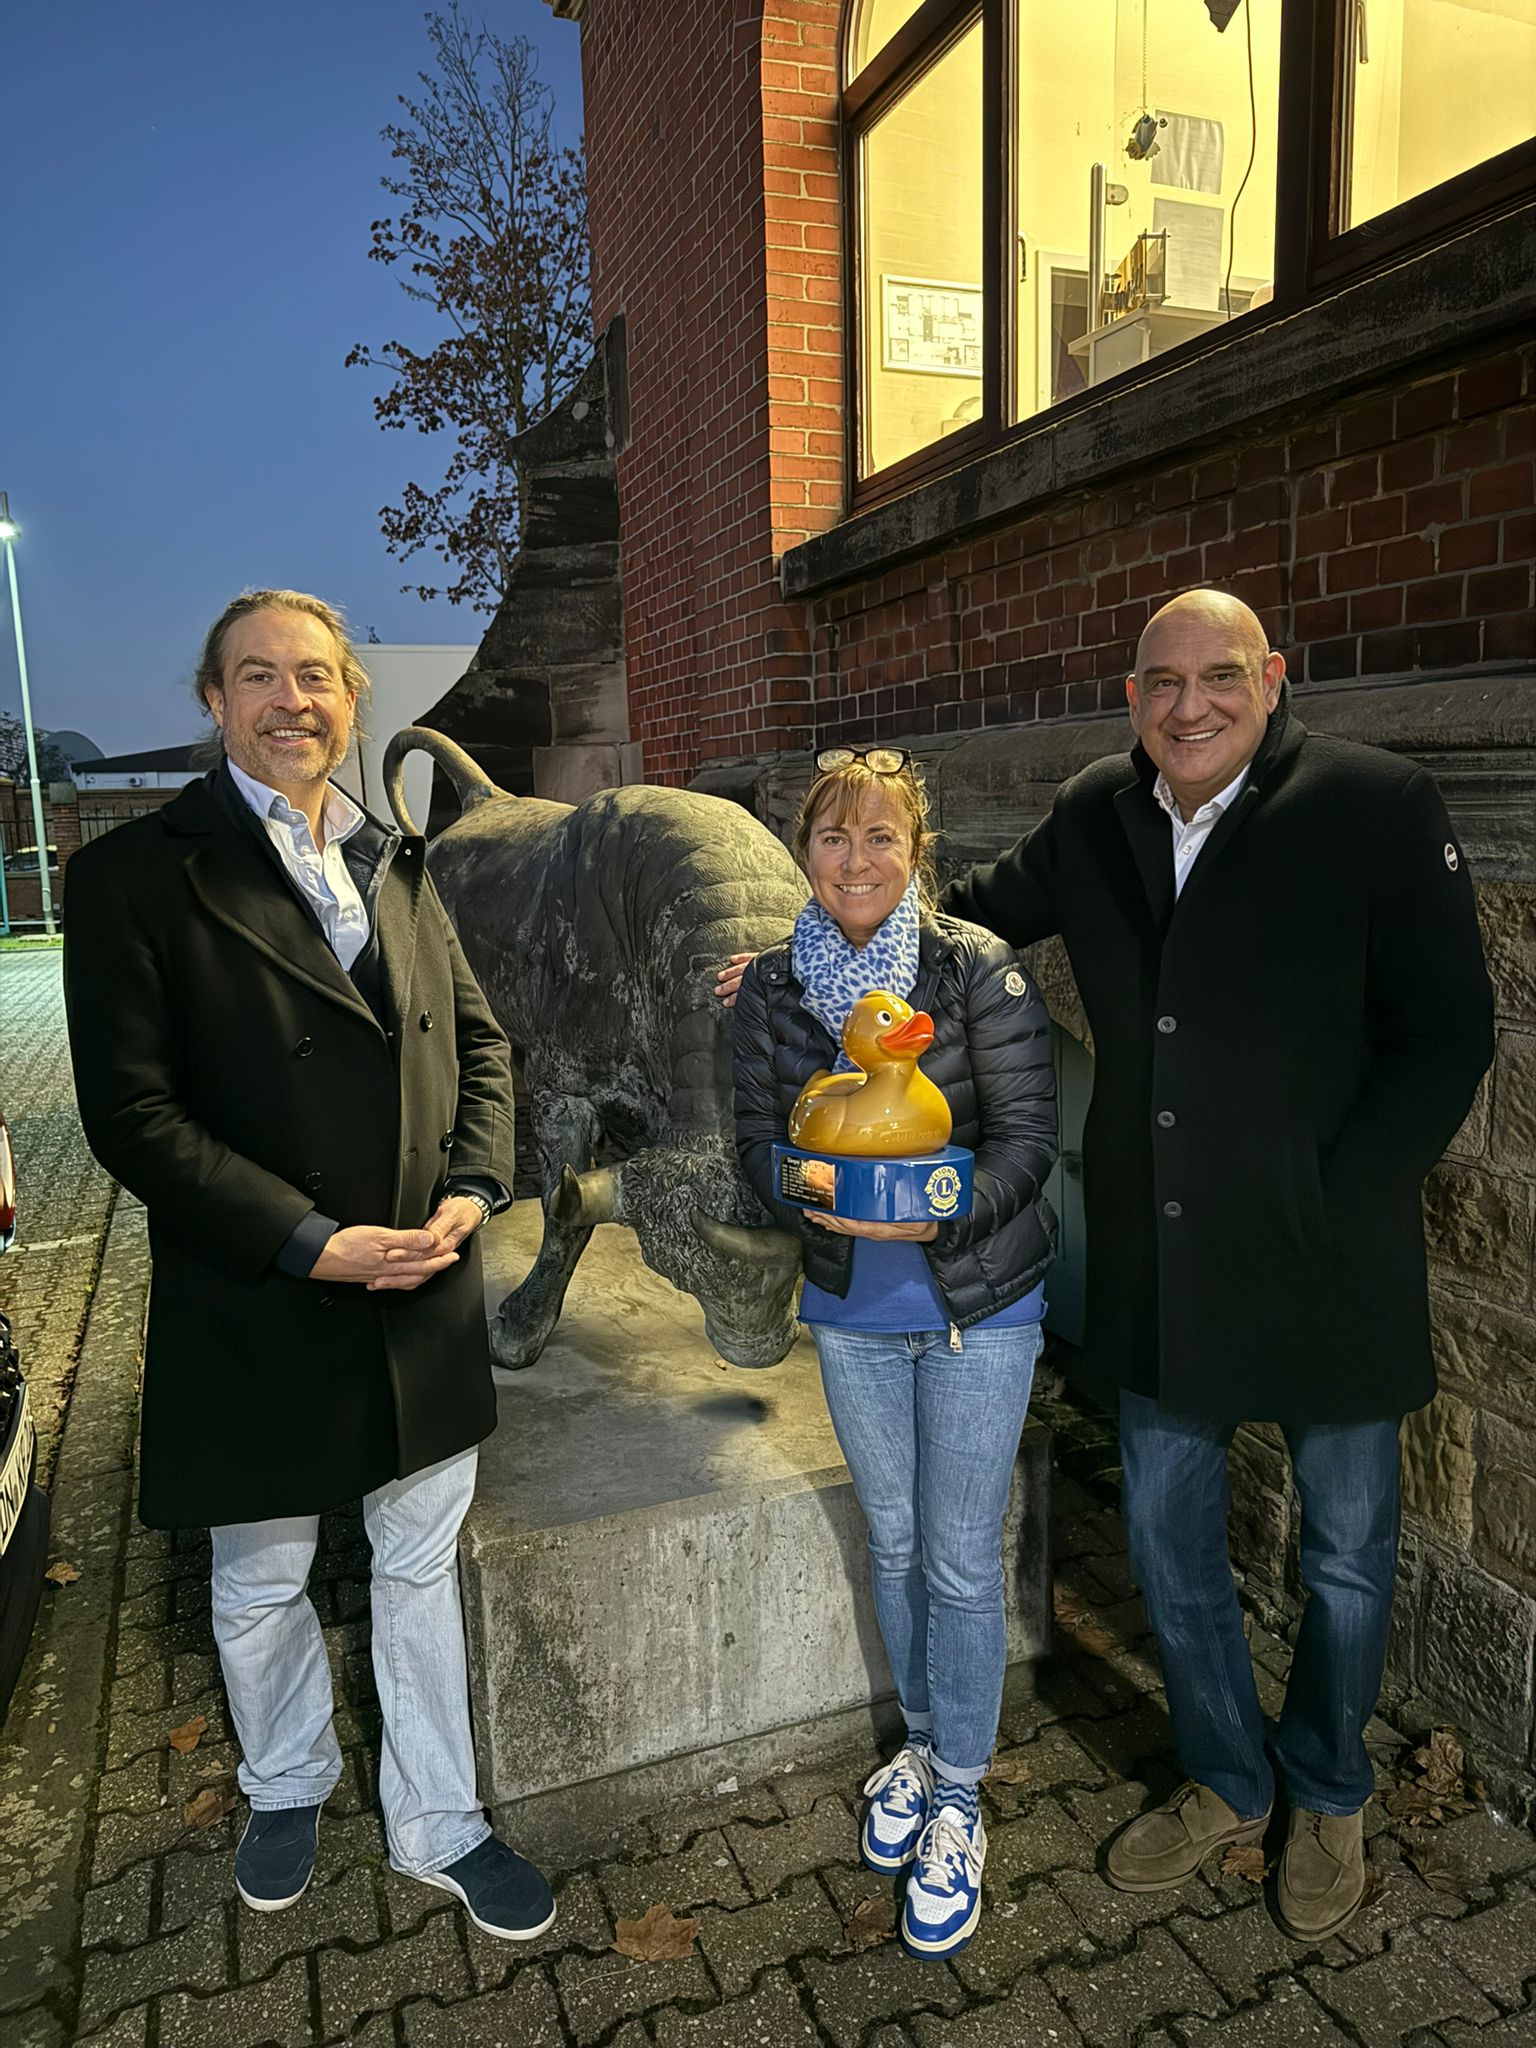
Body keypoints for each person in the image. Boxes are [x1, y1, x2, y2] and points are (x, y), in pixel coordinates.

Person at [720, 589, 1493, 1942]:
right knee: (1164, 1540)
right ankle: (1221, 1777)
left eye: (1219, 677)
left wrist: (1339, 1195)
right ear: (1132, 698)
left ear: (1273, 680)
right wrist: (808, 959)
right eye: (1161, 683)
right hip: (1164, 1258)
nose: (1189, 706)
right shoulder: (1096, 812)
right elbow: (951, 910)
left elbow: (1448, 1036)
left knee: (1351, 1557)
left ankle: (1328, 1786)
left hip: (1327, 1256)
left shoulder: (1377, 803)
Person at [64, 590, 554, 1940]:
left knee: (416, 1565)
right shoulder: (129, 878)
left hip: (422, 1280)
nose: (295, 700)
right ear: (213, 699)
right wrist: (308, 1240)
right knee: (265, 1572)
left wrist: (470, 1187)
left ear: (353, 700)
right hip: (263, 1282)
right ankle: (286, 1781)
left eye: (319, 677)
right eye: (260, 676)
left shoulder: (401, 860)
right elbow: (134, 1117)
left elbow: (486, 1046)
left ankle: (439, 1822)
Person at [731, 749, 1058, 1958]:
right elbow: (755, 1142)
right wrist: (805, 1186)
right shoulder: (773, 985)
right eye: (832, 837)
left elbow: (1031, 1140)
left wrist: (943, 1210)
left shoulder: (976, 970)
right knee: (901, 1537)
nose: (856, 859)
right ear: (804, 851)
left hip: (979, 1307)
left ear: (918, 851)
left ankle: (962, 1793)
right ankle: (921, 1744)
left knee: (965, 1559)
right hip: (853, 1315)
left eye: (881, 838)